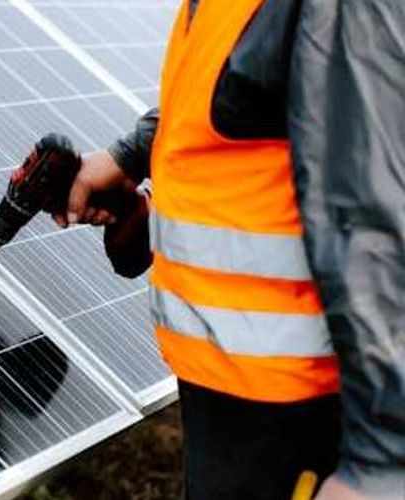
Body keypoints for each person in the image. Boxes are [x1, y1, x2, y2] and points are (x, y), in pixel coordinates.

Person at [50, 0, 405, 498]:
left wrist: (384, 464)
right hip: (227, 388)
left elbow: (375, 215)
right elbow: (245, 89)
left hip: (296, 402)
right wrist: (132, 155)